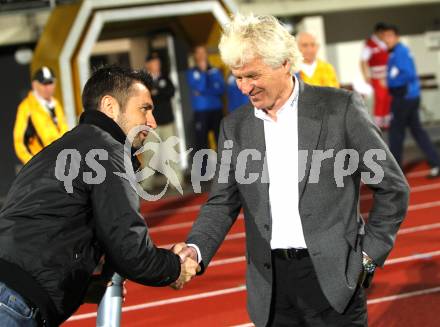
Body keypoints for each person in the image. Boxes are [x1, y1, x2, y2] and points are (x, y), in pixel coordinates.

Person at [175, 14, 409, 326]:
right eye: (238, 78)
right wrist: (195, 248)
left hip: (335, 281)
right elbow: (222, 202)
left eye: (252, 76)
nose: (244, 88)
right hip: (270, 290)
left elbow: (392, 187)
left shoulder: (340, 108)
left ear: (284, 63)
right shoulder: (235, 126)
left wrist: (367, 258)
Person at [0, 66, 199, 326]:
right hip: (15, 302)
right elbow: (130, 250)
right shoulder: (106, 151)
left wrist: (82, 288)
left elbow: (54, 229)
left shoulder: (61, 149)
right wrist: (174, 268)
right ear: (110, 105)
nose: (152, 122)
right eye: (144, 109)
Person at [382, 24, 440, 178]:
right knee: (417, 131)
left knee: (395, 133)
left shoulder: (400, 52)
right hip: (409, 97)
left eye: (389, 36)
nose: (386, 39)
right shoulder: (397, 52)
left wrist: (391, 83)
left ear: (397, 37)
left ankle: (395, 172)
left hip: (404, 97)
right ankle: (436, 162)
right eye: (384, 36)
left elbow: (407, 74)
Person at [140, 52, 183, 191]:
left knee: (171, 153)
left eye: (158, 62)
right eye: (154, 62)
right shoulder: (144, 81)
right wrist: (157, 93)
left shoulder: (165, 78)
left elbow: (170, 92)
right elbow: (144, 99)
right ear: (148, 64)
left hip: (167, 122)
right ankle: (147, 184)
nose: (157, 65)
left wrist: (156, 93)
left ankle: (176, 181)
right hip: (151, 124)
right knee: (149, 155)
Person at [13, 66, 69, 164]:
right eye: (44, 84)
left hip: (62, 160)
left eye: (50, 83)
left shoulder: (56, 104)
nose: (48, 87)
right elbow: (19, 141)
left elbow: (64, 130)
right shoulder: (26, 108)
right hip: (42, 164)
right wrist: (33, 163)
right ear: (35, 85)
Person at [186, 45, 225, 151]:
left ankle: (224, 166)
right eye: (199, 53)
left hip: (216, 110)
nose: (201, 55)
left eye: (203, 52)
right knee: (202, 143)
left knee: (221, 140)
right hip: (201, 113)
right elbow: (198, 87)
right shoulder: (191, 72)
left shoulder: (215, 70)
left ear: (206, 54)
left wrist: (203, 92)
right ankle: (205, 167)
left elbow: (221, 89)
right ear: (195, 55)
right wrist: (203, 73)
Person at [360, 23, 392, 129]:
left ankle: (387, 123)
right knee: (381, 98)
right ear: (378, 32)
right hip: (376, 76)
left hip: (388, 76)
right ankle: (377, 124)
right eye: (383, 33)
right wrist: (366, 76)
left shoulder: (386, 43)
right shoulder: (370, 44)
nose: (384, 36)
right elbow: (363, 61)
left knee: (388, 98)